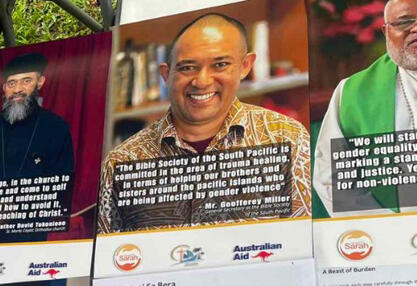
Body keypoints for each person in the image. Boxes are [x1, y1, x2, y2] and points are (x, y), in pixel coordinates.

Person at [97, 13, 311, 233]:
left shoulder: (287, 138)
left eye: (220, 64)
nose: (202, 81)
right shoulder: (122, 161)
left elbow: (305, 240)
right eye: (187, 67)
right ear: (166, 74)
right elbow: (109, 256)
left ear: (245, 65)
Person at [313, 0, 417, 216]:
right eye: (404, 22)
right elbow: (335, 179)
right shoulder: (353, 92)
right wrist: (388, 233)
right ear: (386, 32)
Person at [0, 53, 75, 243]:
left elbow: (63, 185)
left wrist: (15, 206)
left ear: (40, 82)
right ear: (4, 88)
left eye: (26, 81)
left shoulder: (56, 128)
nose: (17, 89)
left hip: (28, 235)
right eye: (11, 83)